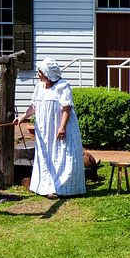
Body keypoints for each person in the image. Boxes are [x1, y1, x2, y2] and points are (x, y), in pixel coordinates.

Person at [14, 58, 85, 199]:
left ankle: (61, 188)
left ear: (48, 73)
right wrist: (22, 117)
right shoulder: (39, 87)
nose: (38, 74)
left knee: (62, 155)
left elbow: (66, 108)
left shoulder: (63, 86)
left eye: (40, 72)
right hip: (44, 130)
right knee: (46, 156)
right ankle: (44, 186)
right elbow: (34, 107)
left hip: (59, 128)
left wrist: (62, 127)